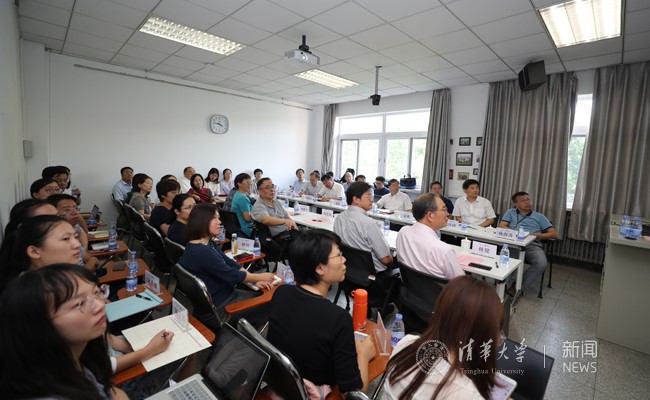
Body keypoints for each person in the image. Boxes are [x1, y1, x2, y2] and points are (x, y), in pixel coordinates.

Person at [267, 229, 376, 393]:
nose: (344, 260)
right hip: (311, 392)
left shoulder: (281, 293)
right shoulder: (338, 318)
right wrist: (363, 354)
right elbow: (354, 393)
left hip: (280, 382)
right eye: (339, 255)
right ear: (319, 268)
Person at [0, 264, 128, 399]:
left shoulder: (77, 361)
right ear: (38, 324)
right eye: (79, 303)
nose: (100, 305)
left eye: (96, 293)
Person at [383, 276, 504, 400]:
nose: (500, 336)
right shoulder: (468, 394)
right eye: (498, 329)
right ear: (484, 335)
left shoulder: (406, 344)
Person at [181, 203, 275, 325]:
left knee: (261, 294)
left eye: (218, 218)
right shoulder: (202, 252)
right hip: (222, 308)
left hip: (223, 297)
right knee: (273, 302)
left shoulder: (204, 244)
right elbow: (231, 275)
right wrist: (259, 277)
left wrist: (254, 280)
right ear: (201, 221)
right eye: (214, 218)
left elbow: (230, 263)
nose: (219, 222)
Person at [0, 215, 82, 294]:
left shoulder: (62, 278)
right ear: (34, 252)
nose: (77, 244)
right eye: (66, 239)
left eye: (76, 237)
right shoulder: (28, 294)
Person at [499, 191, 557, 293]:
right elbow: (502, 225)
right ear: (516, 204)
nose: (527, 202)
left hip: (532, 245)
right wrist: (515, 234)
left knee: (541, 263)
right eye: (523, 200)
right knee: (506, 258)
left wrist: (534, 235)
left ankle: (518, 286)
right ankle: (504, 286)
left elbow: (553, 234)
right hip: (513, 244)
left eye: (528, 199)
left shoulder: (539, 216)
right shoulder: (510, 212)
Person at [396, 193, 465, 279]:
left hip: (409, 285)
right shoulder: (444, 250)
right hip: (438, 288)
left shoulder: (403, 232)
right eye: (444, 209)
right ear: (430, 215)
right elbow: (461, 282)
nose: (447, 214)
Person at [333, 182, 393, 274]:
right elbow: (386, 260)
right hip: (374, 275)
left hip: (349, 270)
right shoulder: (369, 223)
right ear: (356, 199)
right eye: (368, 197)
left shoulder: (339, 218)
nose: (372, 200)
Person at [251, 178, 299, 260]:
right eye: (267, 187)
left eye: (272, 186)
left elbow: (288, 218)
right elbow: (266, 219)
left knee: (313, 238)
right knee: (310, 246)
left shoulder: (276, 202)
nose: (272, 189)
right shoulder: (258, 206)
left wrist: (295, 228)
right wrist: (285, 221)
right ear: (260, 191)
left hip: (288, 234)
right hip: (277, 240)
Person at [231, 172, 256, 238]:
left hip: (239, 227)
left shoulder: (237, 194)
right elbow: (247, 218)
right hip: (246, 229)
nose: (250, 184)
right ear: (239, 184)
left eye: (250, 182)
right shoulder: (242, 198)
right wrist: (260, 217)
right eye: (247, 182)